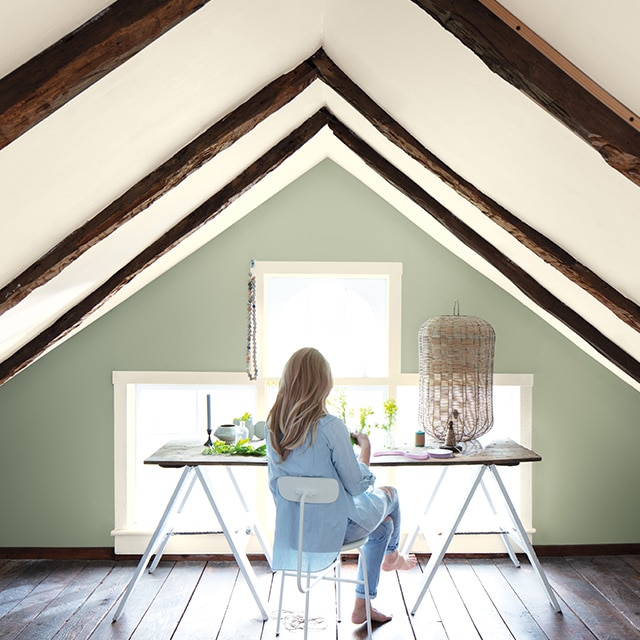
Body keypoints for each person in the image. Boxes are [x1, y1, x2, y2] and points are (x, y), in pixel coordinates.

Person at [266, 347, 416, 625]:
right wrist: (366, 448)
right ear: (323, 383)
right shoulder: (330, 426)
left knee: (382, 528)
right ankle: (393, 556)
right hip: (334, 531)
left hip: (294, 531)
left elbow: (276, 488)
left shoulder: (273, 427)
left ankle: (364, 604)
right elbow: (358, 486)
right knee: (392, 495)